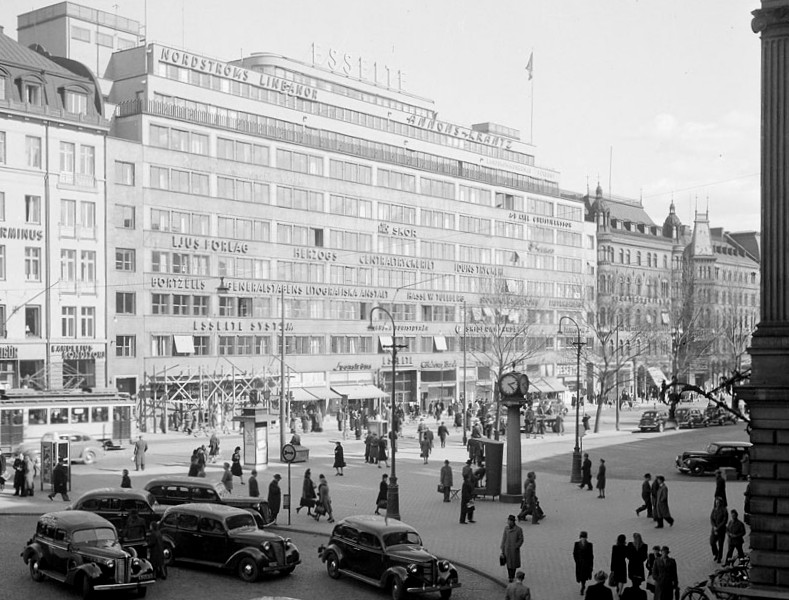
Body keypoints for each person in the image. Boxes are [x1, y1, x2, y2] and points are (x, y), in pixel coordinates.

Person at [500, 515, 524, 583]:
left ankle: (512, 576)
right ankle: (510, 577)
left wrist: (516, 546)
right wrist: (502, 547)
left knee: (513, 563)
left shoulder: (518, 529)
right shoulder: (506, 528)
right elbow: (504, 538)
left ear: (513, 522)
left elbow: (521, 539)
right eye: (508, 521)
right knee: (508, 563)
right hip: (507, 549)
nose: (508, 522)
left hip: (514, 550)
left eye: (510, 521)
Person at [573, 531, 594, 595]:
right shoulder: (576, 544)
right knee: (580, 575)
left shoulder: (589, 545)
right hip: (579, 563)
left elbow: (591, 555)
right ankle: (582, 585)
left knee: (584, 576)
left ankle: (583, 586)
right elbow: (574, 553)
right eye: (582, 537)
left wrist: (591, 564)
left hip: (586, 563)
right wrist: (576, 561)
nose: (583, 539)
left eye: (584, 537)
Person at [710, 496, 728, 563]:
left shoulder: (724, 510)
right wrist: (714, 526)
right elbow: (711, 518)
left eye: (718, 502)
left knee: (720, 544)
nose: (717, 503)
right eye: (716, 502)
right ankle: (716, 553)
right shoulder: (714, 509)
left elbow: (724, 520)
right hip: (714, 530)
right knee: (712, 542)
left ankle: (719, 557)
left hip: (721, 530)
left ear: (721, 503)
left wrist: (718, 527)